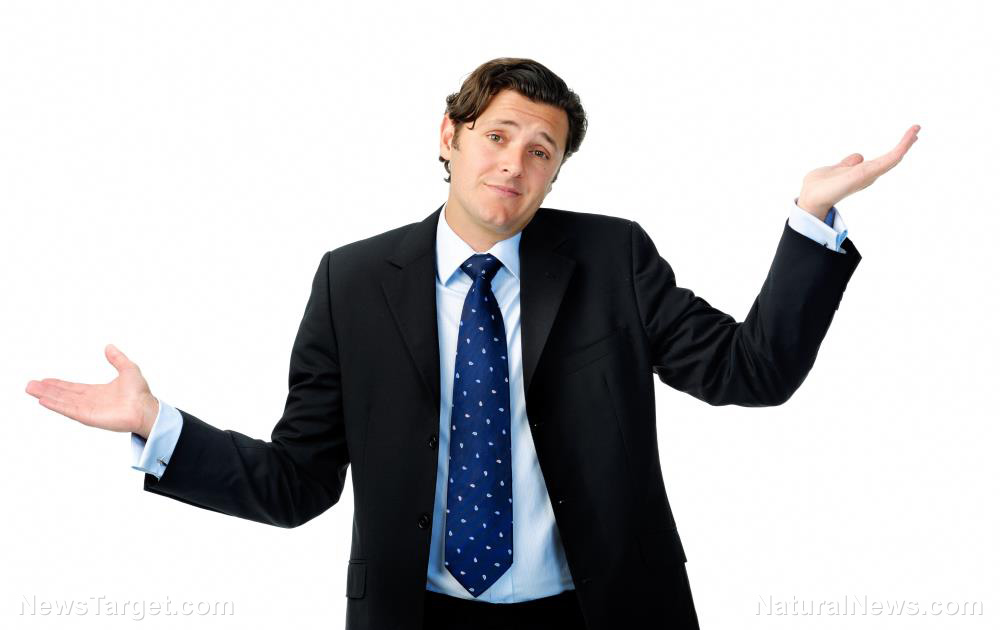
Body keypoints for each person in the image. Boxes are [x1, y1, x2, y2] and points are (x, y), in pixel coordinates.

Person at [25, 57, 919, 630]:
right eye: (497, 136)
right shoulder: (351, 281)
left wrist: (811, 218)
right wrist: (159, 426)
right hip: (419, 616)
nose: (514, 164)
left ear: (556, 173)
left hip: (600, 610)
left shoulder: (611, 258)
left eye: (542, 150)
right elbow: (300, 482)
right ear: (449, 138)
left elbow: (751, 371)